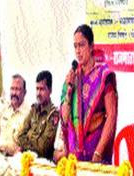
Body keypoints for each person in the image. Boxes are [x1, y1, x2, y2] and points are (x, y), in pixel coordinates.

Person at [55, 24, 118, 164]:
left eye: (81, 45)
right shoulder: (72, 77)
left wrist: (99, 152)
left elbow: (111, 115)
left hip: (95, 151)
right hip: (75, 155)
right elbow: (64, 119)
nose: (78, 51)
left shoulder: (103, 76)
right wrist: (69, 91)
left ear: (91, 46)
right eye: (75, 46)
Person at [17, 71, 59, 160]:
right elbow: (20, 135)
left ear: (50, 90)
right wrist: (33, 142)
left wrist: (27, 139)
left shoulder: (53, 115)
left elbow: (43, 149)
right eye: (37, 89)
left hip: (43, 163)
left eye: (42, 89)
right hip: (28, 159)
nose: (38, 93)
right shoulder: (34, 110)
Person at [0, 74, 30, 156]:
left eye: (17, 89)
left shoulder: (29, 113)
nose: (14, 93)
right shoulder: (3, 108)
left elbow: (29, 145)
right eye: (12, 89)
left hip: (17, 160)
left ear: (24, 92)